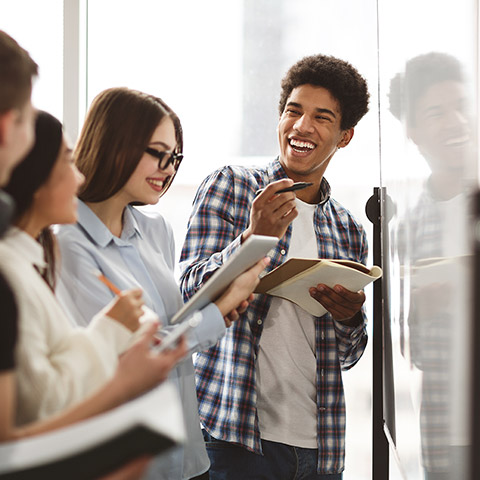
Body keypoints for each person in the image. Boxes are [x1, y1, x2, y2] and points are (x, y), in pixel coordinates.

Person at [54, 87, 269, 480]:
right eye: (158, 154)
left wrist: (219, 305)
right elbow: (135, 354)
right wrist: (218, 313)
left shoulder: (157, 231)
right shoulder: (67, 244)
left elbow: (172, 325)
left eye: (175, 158)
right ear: (115, 144)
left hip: (189, 455)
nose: (168, 169)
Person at [179, 54, 370, 479]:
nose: (302, 127)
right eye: (293, 111)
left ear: (344, 137)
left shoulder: (349, 230)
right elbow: (188, 296)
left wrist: (349, 316)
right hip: (234, 438)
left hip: (319, 449)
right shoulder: (232, 186)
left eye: (322, 118)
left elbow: (350, 354)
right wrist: (255, 238)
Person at [1, 109, 186, 432]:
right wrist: (110, 332)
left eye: (174, 157)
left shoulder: (31, 261)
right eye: (67, 162)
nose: (79, 177)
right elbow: (42, 405)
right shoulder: (15, 272)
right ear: (34, 175)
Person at [389, 52, 475, 480]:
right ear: (413, 131)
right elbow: (414, 353)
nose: (457, 121)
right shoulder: (409, 227)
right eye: (437, 112)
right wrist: (422, 310)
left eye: (463, 107)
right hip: (444, 428)